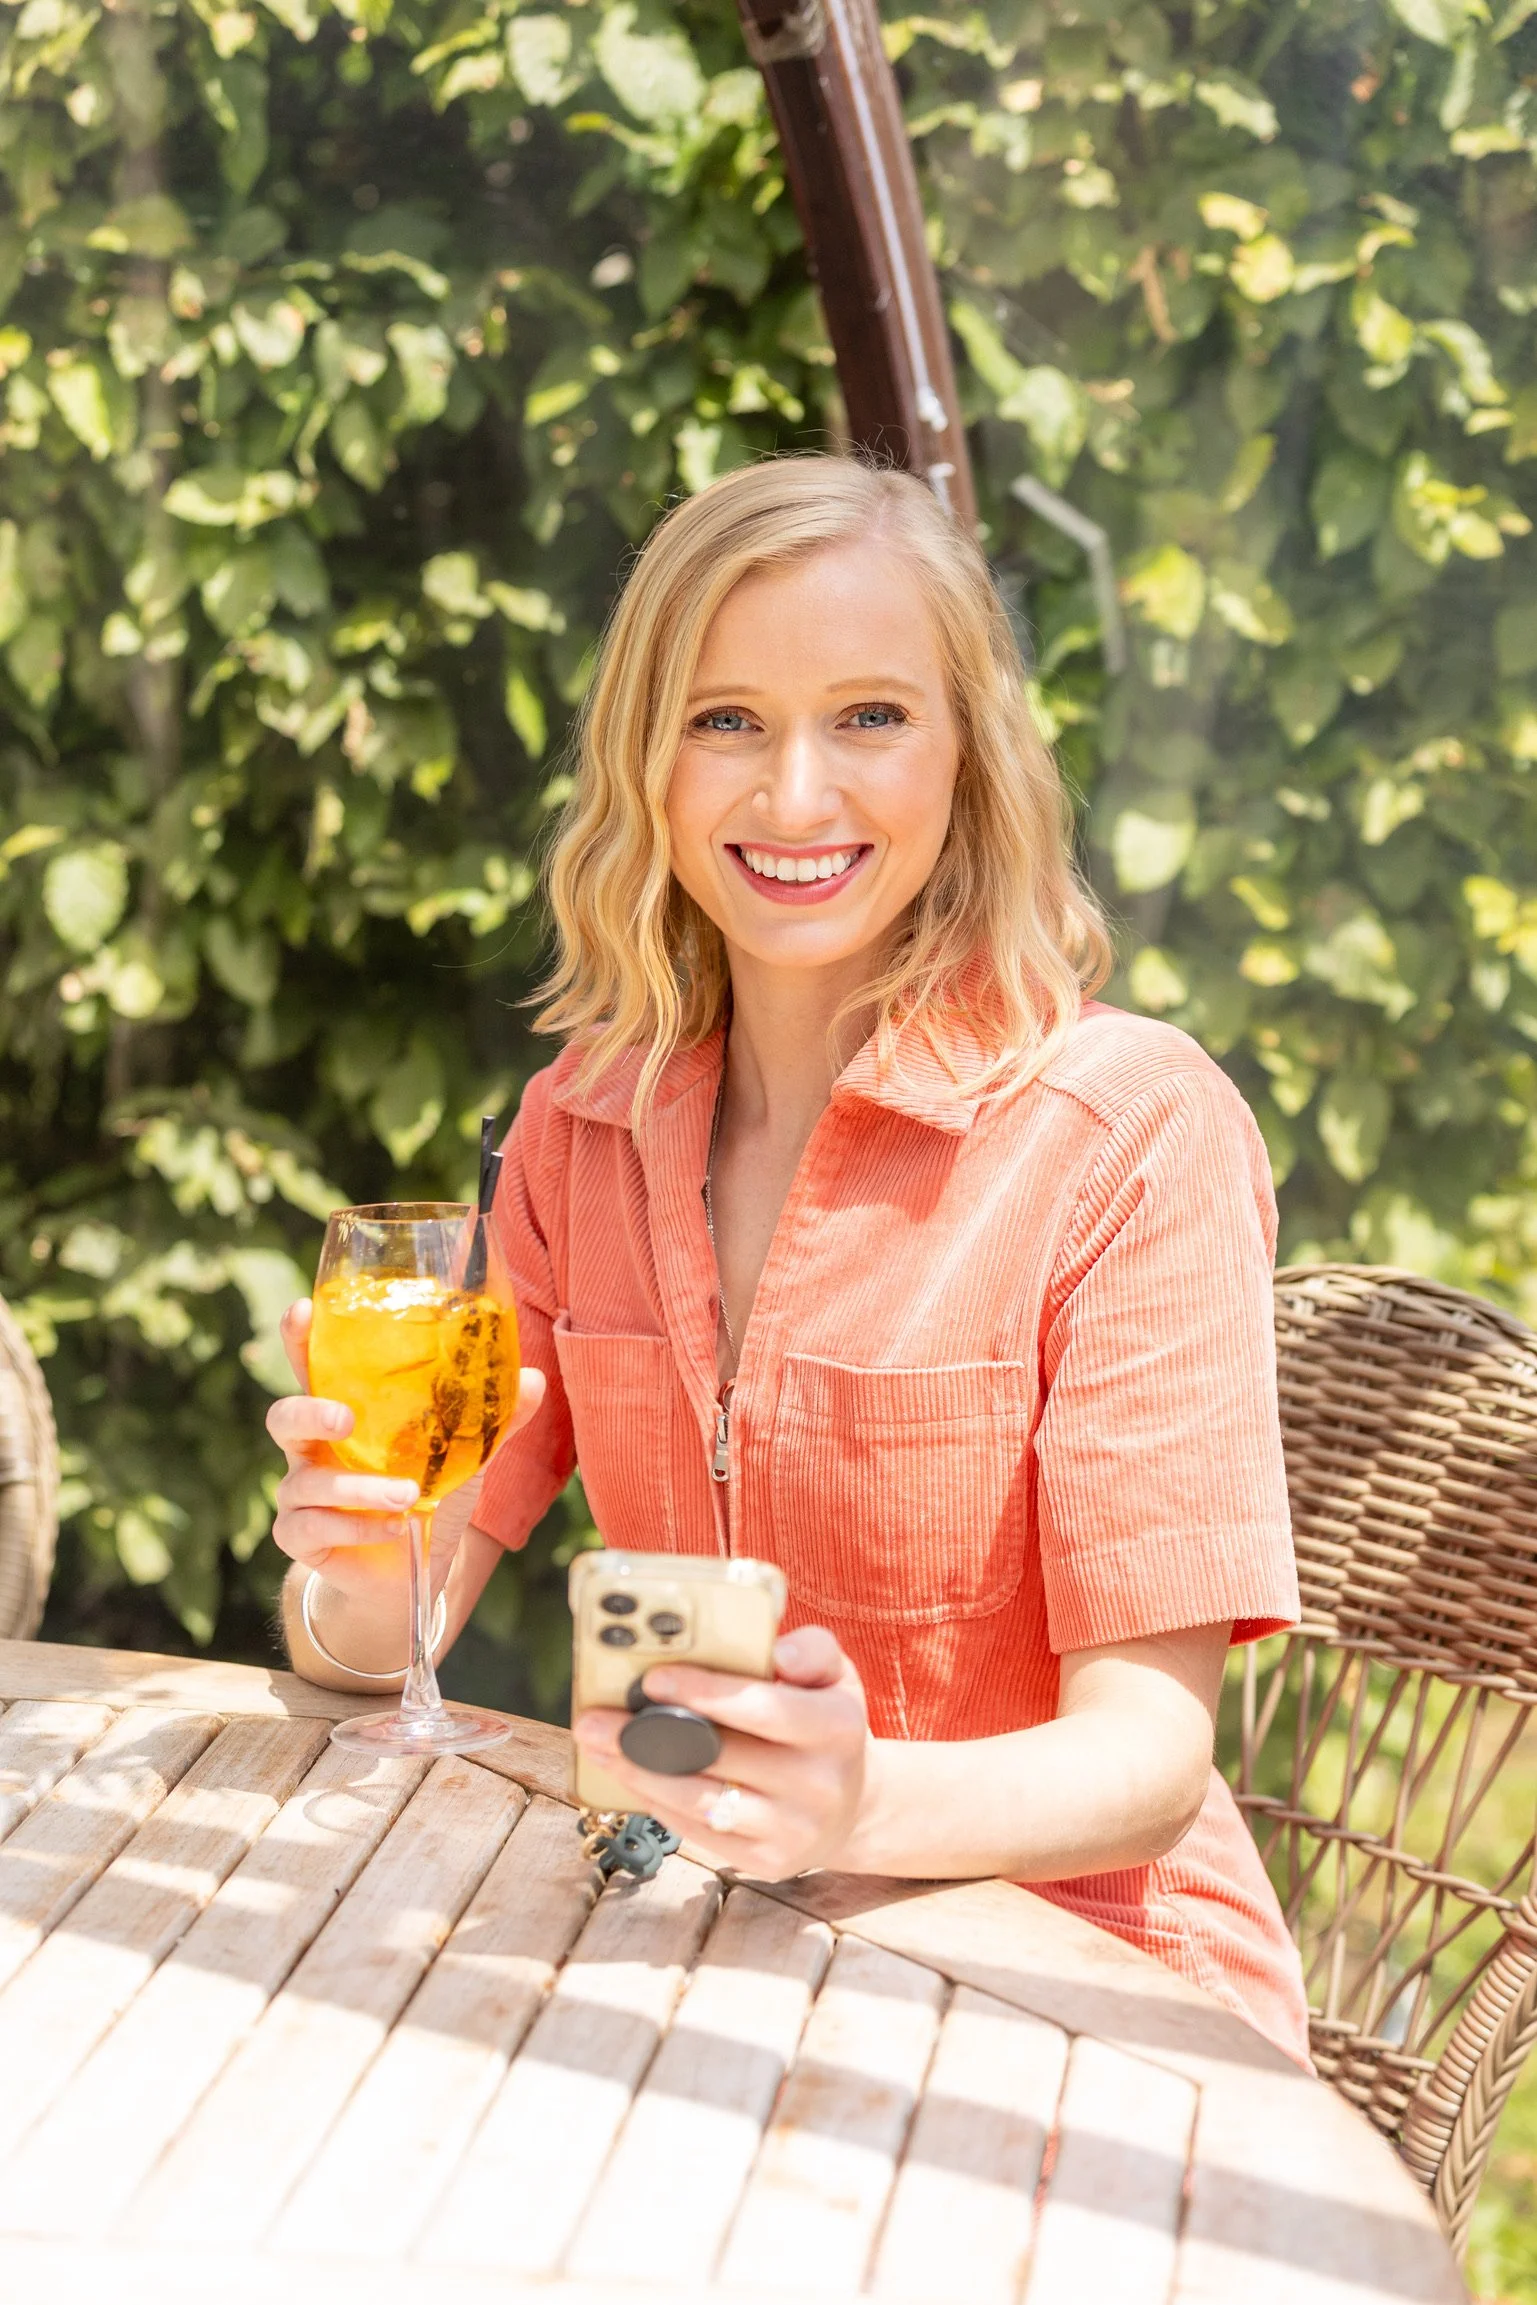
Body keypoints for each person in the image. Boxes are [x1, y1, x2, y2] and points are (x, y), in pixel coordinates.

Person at [269, 454, 1310, 2064]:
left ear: (970, 754)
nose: (797, 797)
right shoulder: (581, 1127)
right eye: (727, 720)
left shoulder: (1129, 1134)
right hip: (712, 1961)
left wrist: (856, 1799)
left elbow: (1150, 1761)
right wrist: (347, 1558)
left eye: (873, 718)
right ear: (650, 763)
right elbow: (374, 1640)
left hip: (1093, 2007)